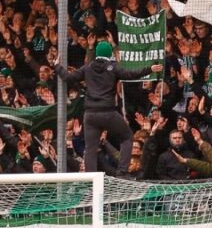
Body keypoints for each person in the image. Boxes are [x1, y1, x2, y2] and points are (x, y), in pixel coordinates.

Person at [58, 40, 159, 173]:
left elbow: (68, 77)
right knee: (127, 137)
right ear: (109, 53)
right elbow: (131, 74)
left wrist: (57, 67)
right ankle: (122, 172)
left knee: (90, 148)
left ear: (97, 53)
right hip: (108, 112)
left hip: (90, 115)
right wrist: (149, 69)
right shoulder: (113, 66)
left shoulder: (87, 67)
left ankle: (91, 178)